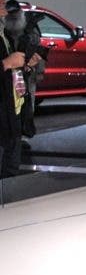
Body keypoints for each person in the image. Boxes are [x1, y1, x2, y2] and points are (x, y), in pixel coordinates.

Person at [4, 0, 44, 138]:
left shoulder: (31, 29)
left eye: (15, 13)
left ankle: (24, 133)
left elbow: (39, 51)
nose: (13, 16)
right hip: (10, 75)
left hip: (28, 74)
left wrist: (39, 72)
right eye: (10, 14)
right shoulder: (5, 29)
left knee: (27, 105)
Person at [1, 12, 26, 178]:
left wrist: (25, 65)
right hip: (4, 110)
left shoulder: (6, 35)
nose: (5, 7)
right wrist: (6, 63)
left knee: (11, 166)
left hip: (13, 107)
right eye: (1, 3)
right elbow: (6, 64)